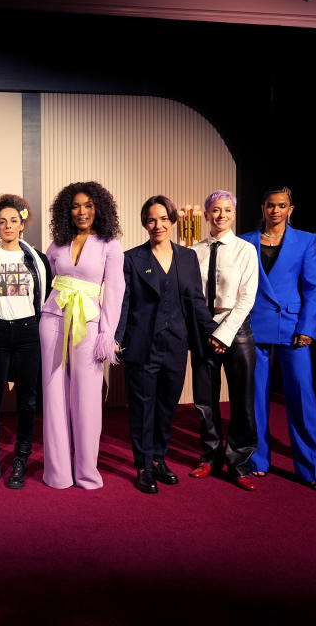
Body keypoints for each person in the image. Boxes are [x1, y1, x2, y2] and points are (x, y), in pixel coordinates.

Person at [115, 196, 218, 494]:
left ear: (173, 221)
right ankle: (143, 466)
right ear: (144, 224)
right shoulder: (132, 258)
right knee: (142, 410)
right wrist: (117, 340)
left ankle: (159, 459)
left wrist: (214, 333)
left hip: (175, 346)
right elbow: (124, 303)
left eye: (163, 219)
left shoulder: (187, 258)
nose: (157, 225)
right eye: (151, 219)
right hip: (141, 347)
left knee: (166, 407)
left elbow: (196, 301)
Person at [241, 187, 316, 492]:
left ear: (291, 209)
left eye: (282, 205)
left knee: (302, 398)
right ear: (262, 208)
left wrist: (308, 327)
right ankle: (257, 461)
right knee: (255, 399)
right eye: (270, 205)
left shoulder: (306, 240)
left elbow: (312, 288)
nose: (275, 210)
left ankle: (314, 471)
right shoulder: (245, 241)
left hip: (293, 329)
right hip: (254, 325)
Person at [40, 181, 124, 490]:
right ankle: (58, 474)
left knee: (87, 400)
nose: (82, 211)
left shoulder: (109, 245)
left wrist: (107, 333)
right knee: (53, 397)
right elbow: (49, 277)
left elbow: (115, 291)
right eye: (75, 206)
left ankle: (87, 473)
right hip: (53, 319)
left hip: (88, 323)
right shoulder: (57, 243)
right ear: (67, 210)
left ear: (98, 208)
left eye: (88, 205)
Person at [0, 194, 50, 489]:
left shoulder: (36, 259)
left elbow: (42, 299)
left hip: (27, 334)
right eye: (2, 221)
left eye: (13, 221)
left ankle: (20, 459)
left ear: (23, 224)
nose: (8, 226)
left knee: (27, 400)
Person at [189, 191, 260, 491]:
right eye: (215, 210)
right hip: (203, 327)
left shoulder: (245, 250)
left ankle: (239, 462)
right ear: (206, 214)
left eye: (227, 210)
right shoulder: (193, 251)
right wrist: (207, 330)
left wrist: (224, 333)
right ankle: (210, 456)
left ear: (234, 214)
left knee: (243, 399)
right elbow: (191, 295)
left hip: (237, 328)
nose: (221, 215)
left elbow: (247, 297)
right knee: (205, 400)